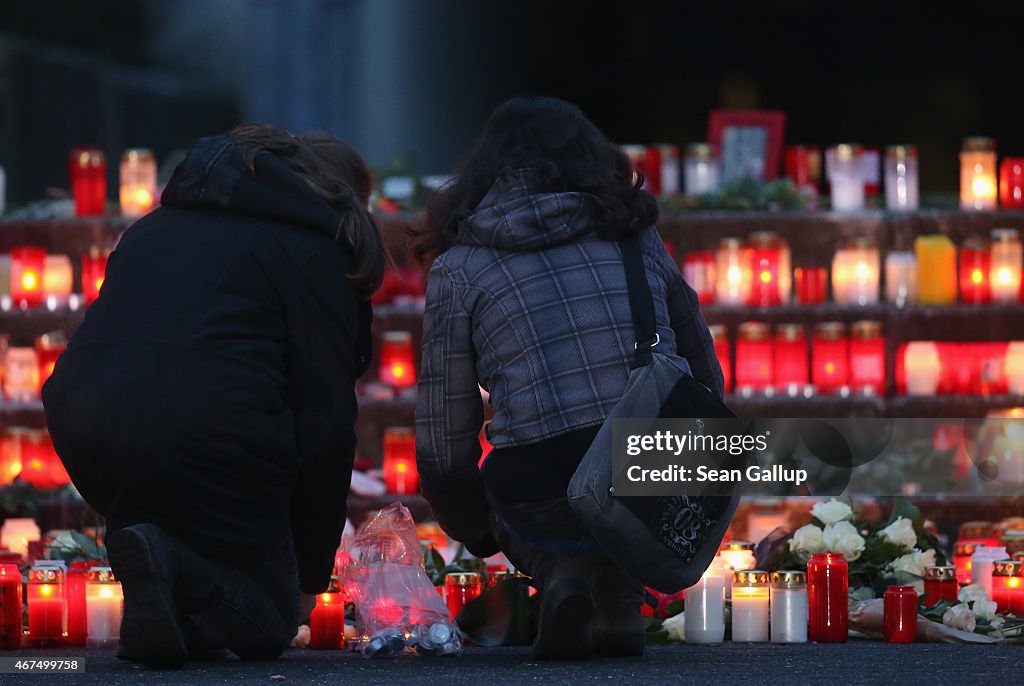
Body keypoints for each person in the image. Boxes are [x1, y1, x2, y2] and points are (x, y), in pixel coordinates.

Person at [42, 124, 384, 667]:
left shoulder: (153, 229)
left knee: (173, 528)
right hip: (215, 430)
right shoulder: (312, 251)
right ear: (341, 197)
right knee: (268, 619)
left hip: (84, 420)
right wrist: (310, 577)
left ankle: (162, 587)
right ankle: (178, 566)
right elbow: (325, 422)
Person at [413, 96, 724, 660]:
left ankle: (560, 574)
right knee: (624, 464)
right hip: (645, 467)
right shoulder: (636, 236)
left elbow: (442, 440)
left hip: (537, 484)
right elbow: (701, 364)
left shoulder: (459, 267)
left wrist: (473, 528)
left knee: (523, 474)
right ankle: (619, 605)